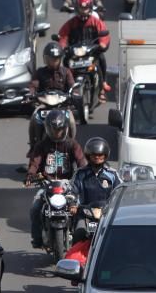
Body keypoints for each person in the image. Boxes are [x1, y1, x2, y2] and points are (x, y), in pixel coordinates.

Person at [25, 110, 88, 248]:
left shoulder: (72, 144)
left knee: (80, 208)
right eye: (54, 130)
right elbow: (35, 163)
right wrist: (31, 175)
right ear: (48, 129)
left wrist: (85, 173)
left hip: (68, 184)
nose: (57, 133)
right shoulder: (41, 146)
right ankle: (37, 239)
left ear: (65, 128)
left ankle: (82, 239)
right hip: (47, 184)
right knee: (35, 209)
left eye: (59, 130)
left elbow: (82, 161)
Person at [58, 0, 111, 102]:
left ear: (90, 7)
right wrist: (62, 46)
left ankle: (102, 86)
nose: (84, 11)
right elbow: (63, 35)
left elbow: (104, 33)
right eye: (82, 8)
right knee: (65, 62)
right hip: (75, 52)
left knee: (100, 59)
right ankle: (65, 86)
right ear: (77, 8)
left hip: (91, 52)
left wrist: (102, 43)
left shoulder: (95, 21)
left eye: (86, 8)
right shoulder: (71, 23)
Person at [27, 42, 78, 157]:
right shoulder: (40, 72)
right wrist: (31, 93)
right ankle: (33, 146)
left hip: (62, 105)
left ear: (60, 59)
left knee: (71, 120)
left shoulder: (66, 72)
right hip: (44, 104)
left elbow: (72, 86)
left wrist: (74, 93)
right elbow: (33, 85)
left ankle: (72, 144)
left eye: (55, 59)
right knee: (34, 118)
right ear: (45, 59)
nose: (53, 62)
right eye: (50, 59)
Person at [70, 137, 120, 242]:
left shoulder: (112, 174)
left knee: (117, 236)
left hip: (107, 213)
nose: (97, 157)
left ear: (105, 155)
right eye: (94, 155)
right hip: (85, 214)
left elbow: (121, 192)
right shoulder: (80, 174)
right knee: (79, 232)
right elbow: (72, 191)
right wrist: (72, 204)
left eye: (100, 155)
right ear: (89, 156)